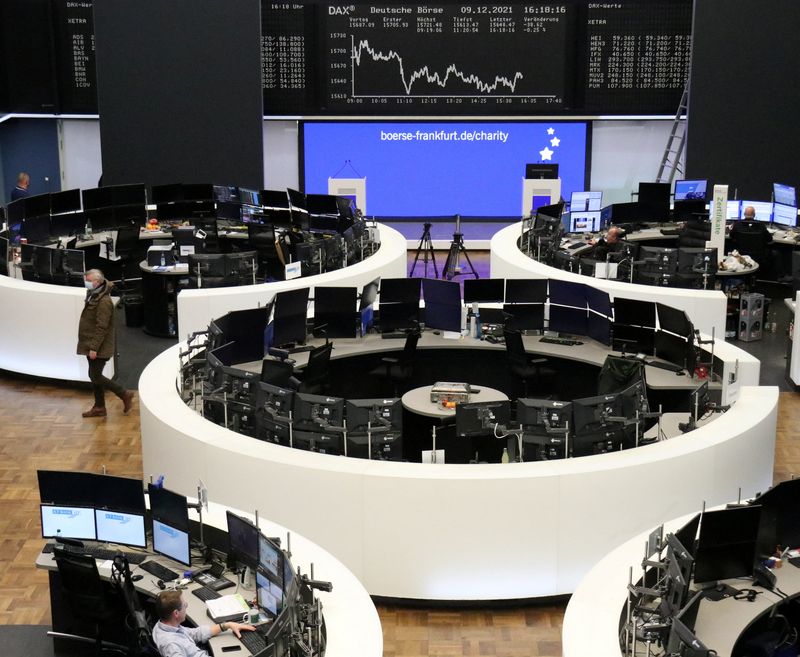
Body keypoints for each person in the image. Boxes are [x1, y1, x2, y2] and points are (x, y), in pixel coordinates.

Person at [76, 269, 134, 418]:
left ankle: (124, 393)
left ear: (99, 282)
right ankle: (99, 407)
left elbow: (102, 327)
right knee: (93, 375)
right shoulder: (94, 295)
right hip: (90, 343)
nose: (87, 283)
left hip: (99, 346)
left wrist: (94, 348)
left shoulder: (104, 301)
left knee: (95, 375)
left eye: (89, 280)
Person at [152, 590, 255, 657]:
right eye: (184, 605)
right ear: (176, 613)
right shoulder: (172, 646)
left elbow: (196, 633)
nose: (187, 606)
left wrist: (227, 625)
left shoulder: (163, 626)